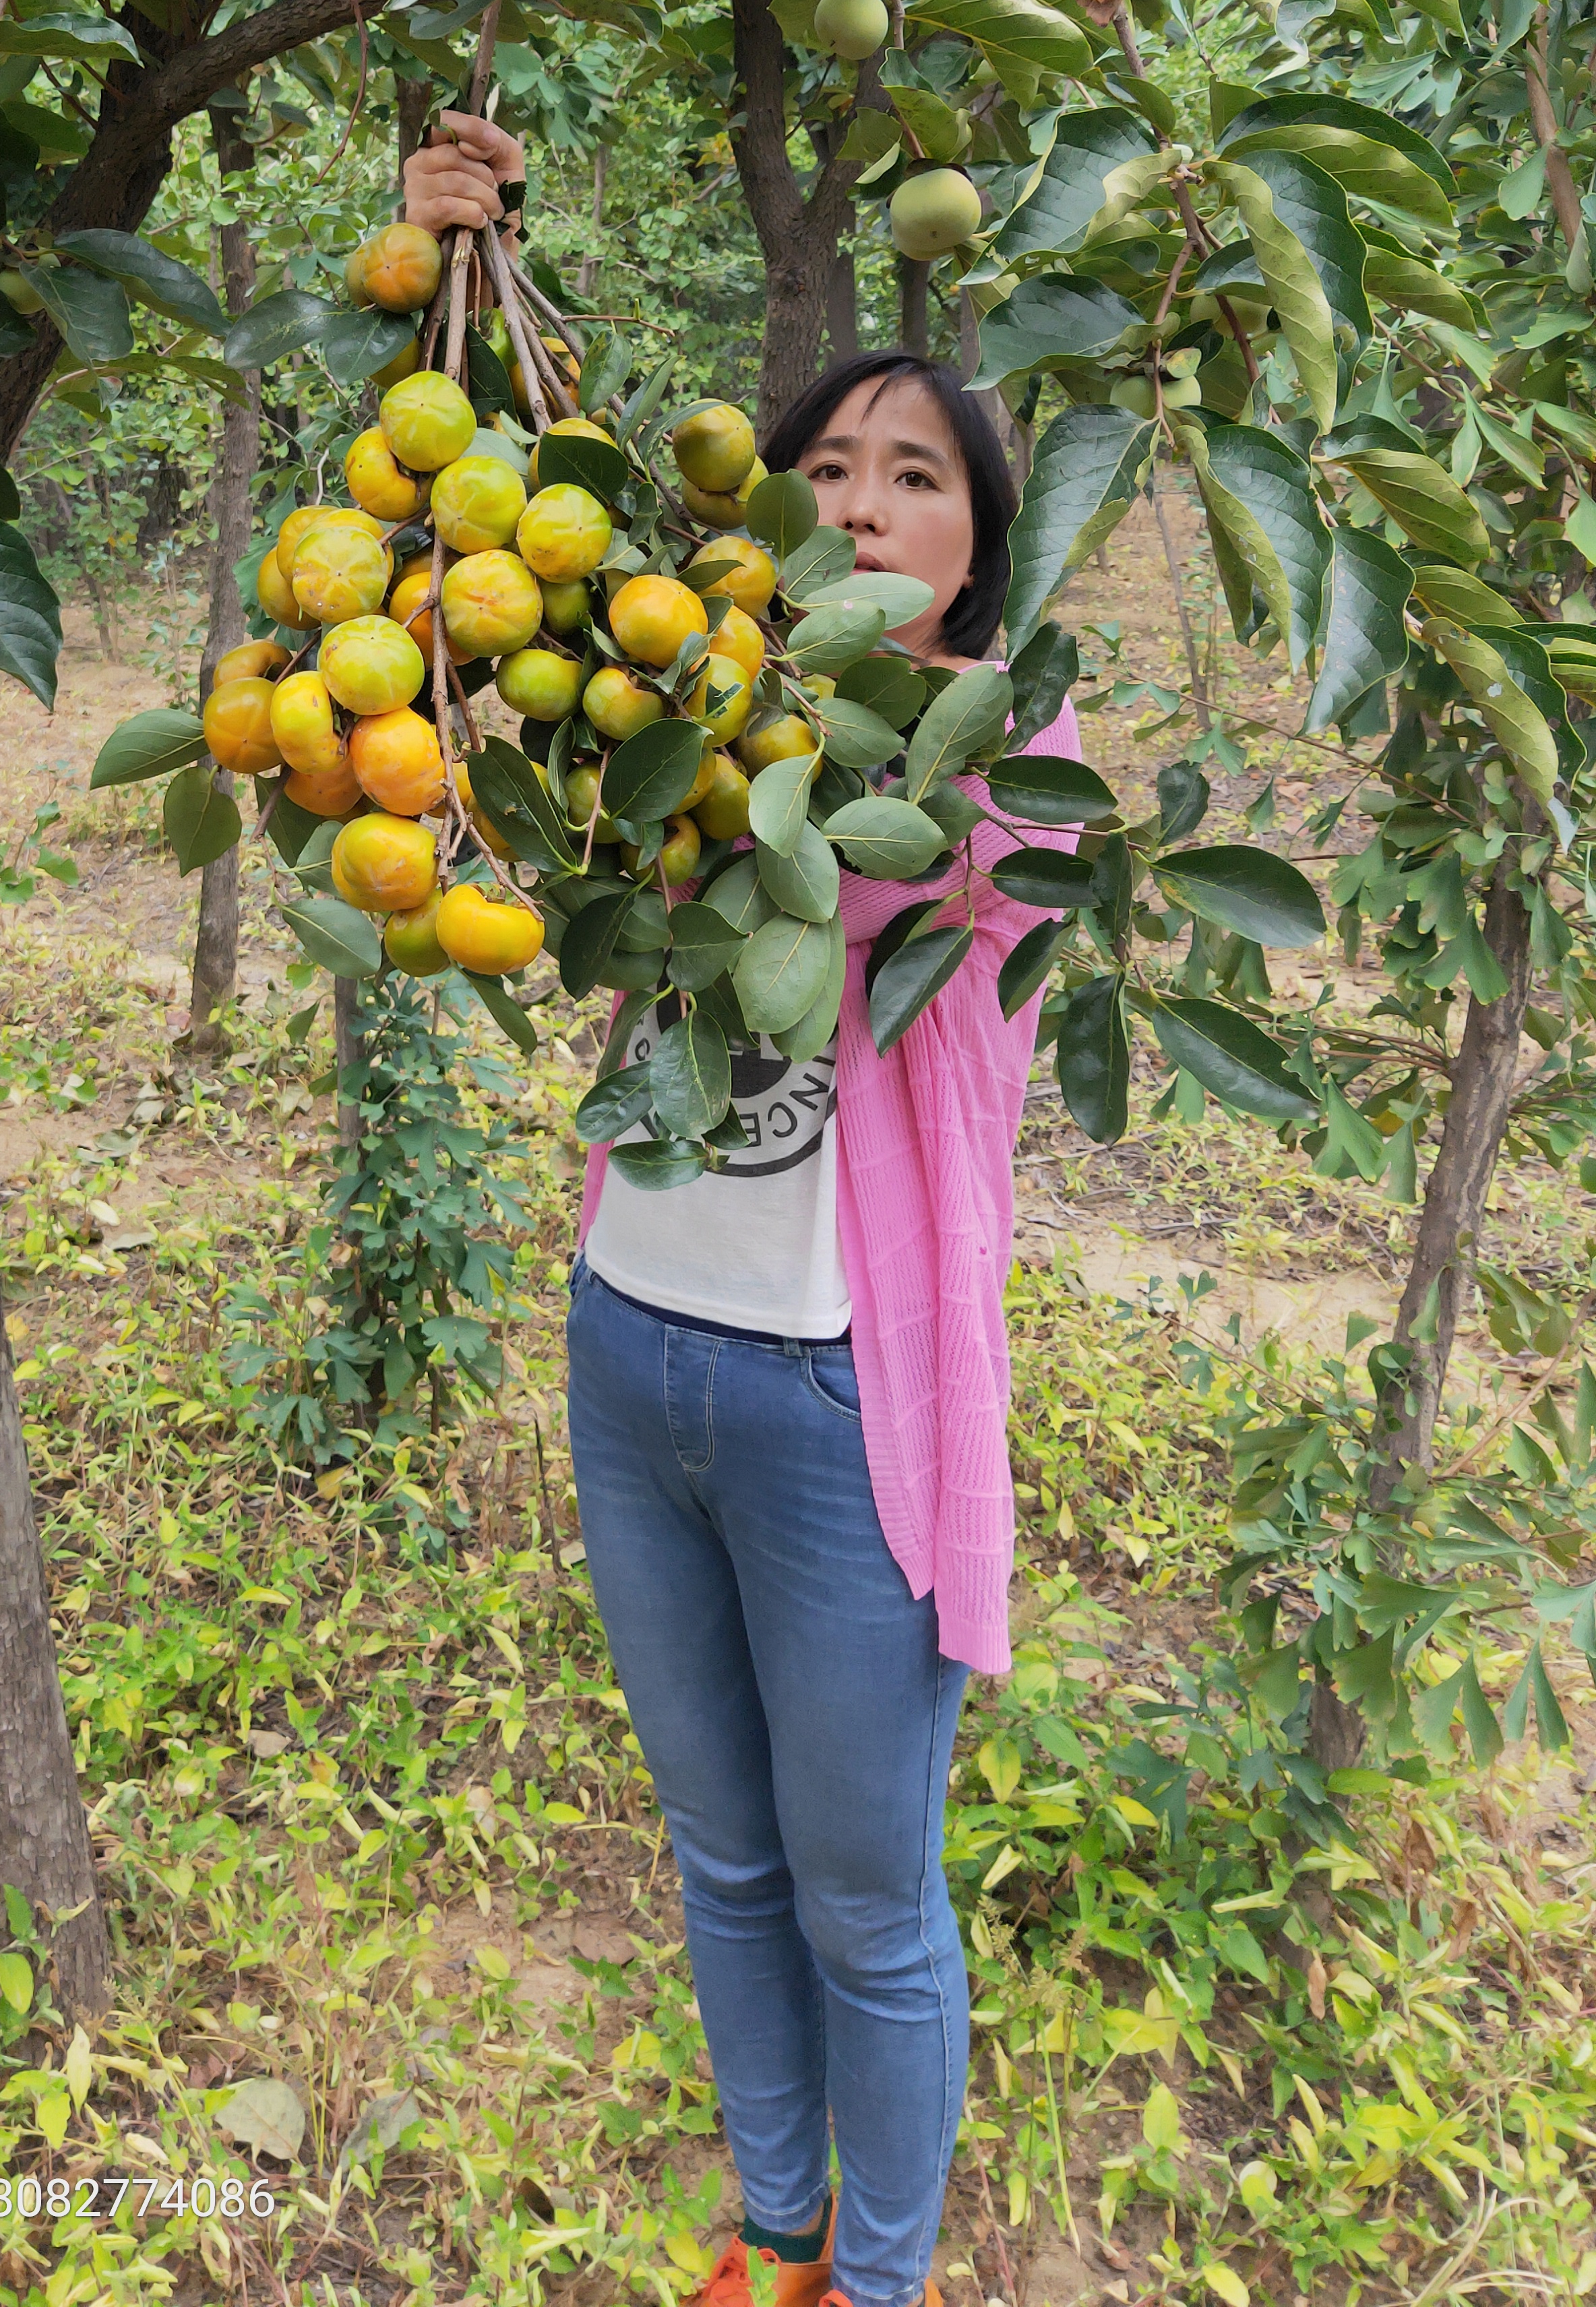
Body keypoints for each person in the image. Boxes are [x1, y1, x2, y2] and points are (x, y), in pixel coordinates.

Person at [401, 113, 1082, 2307]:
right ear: (772, 503)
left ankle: (881, 2280)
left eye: (925, 477)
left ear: (980, 559)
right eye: (838, 467)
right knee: (720, 1854)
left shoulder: (1005, 786)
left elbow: (975, 879)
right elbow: (492, 569)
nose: (870, 502)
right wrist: (458, 272)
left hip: (833, 1411)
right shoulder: (675, 710)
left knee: (868, 1901)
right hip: (635, 1353)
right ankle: (773, 2239)